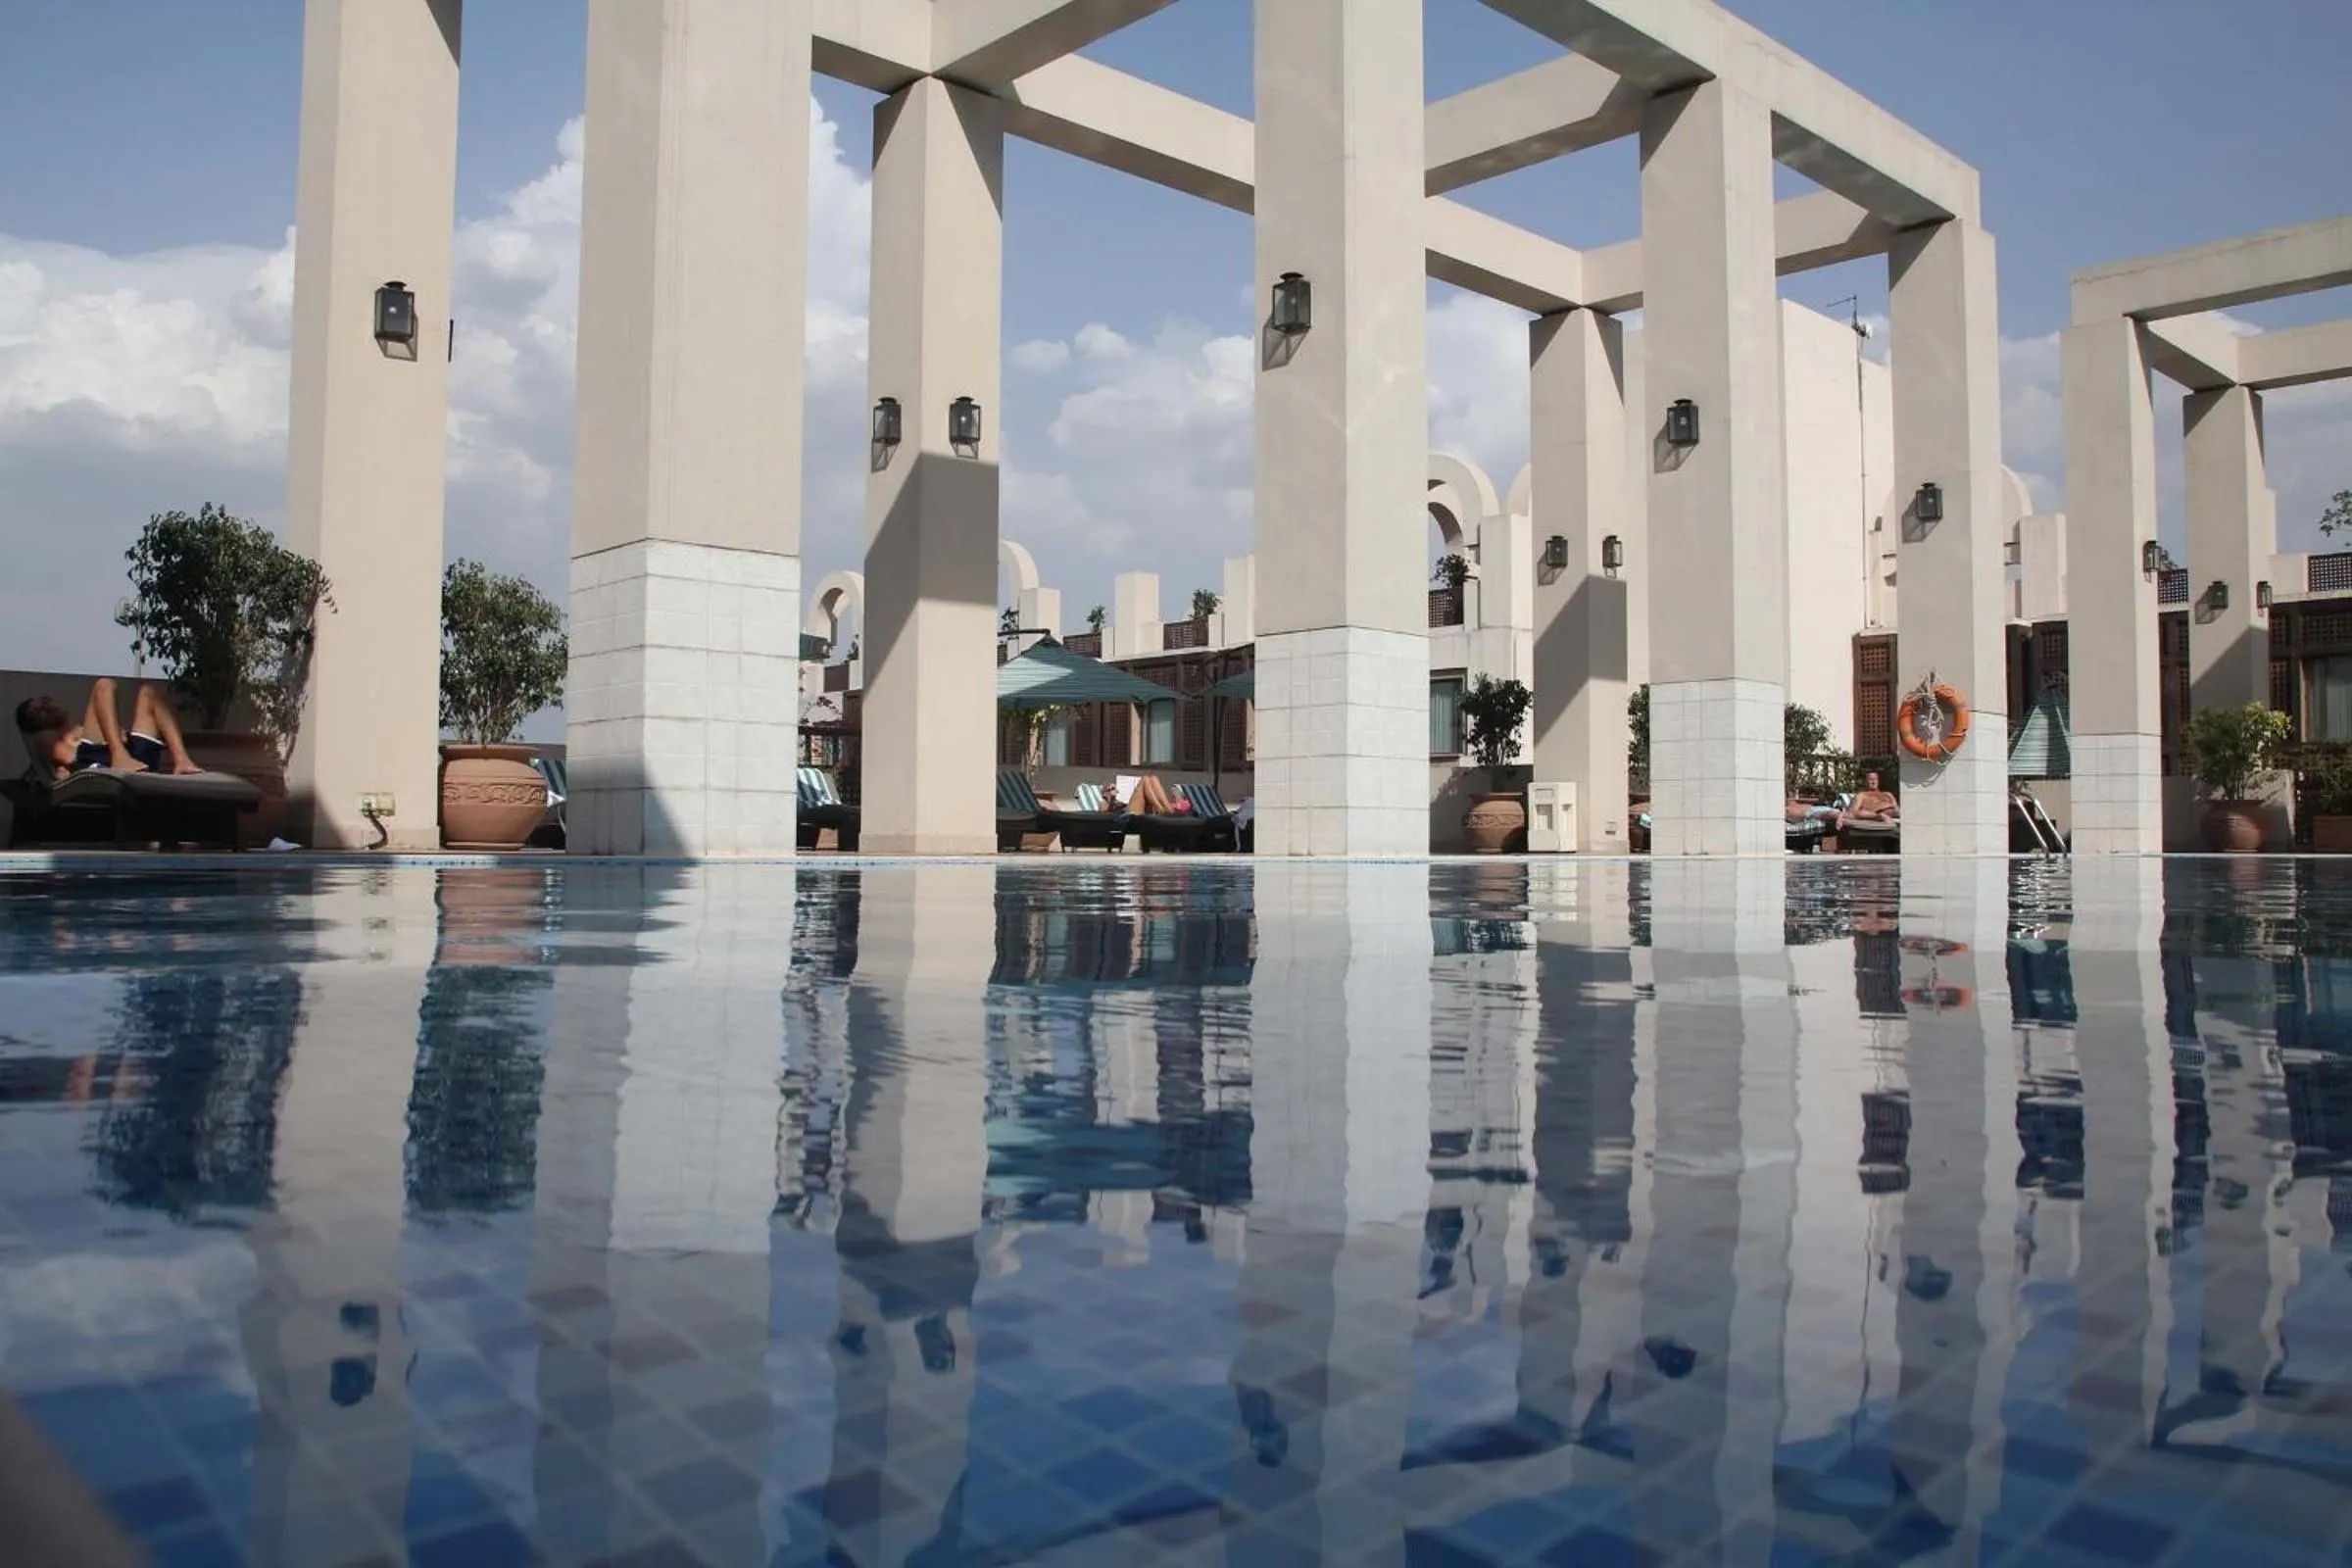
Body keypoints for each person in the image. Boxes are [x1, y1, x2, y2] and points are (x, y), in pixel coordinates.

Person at [14, 680, 204, 781]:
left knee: (149, 692)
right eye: (45, 707)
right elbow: (66, 760)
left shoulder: (74, 730)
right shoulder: (48, 740)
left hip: (131, 754)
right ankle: (119, 756)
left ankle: (182, 761)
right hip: (99, 760)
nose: (51, 705)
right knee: (104, 686)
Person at [1107, 774, 1188, 816]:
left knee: (1153, 778)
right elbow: (1105, 813)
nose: (1113, 790)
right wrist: (1111, 798)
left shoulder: (1117, 800)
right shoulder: (1103, 802)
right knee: (1145, 778)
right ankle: (1166, 809)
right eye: (1109, 789)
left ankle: (1166, 808)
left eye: (1113, 788)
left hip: (1140, 809)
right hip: (1127, 814)